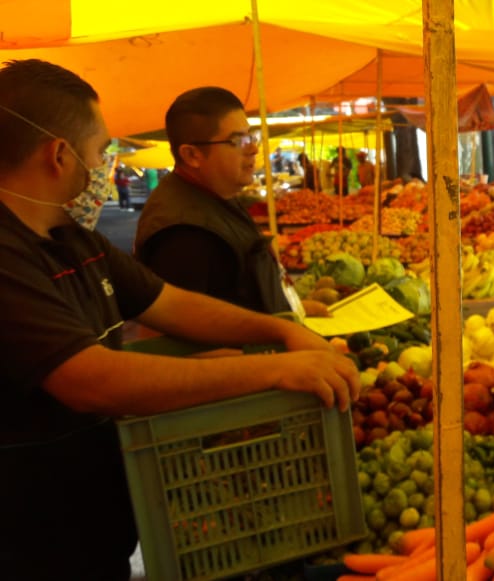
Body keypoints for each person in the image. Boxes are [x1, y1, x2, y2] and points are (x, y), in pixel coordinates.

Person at [0, 59, 360, 581]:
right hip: (29, 543)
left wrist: (281, 330)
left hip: (93, 525)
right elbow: (92, 380)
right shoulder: (7, 257)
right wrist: (273, 371)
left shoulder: (73, 237)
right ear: (59, 154)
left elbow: (170, 302)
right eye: (101, 152)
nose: (104, 166)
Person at [135, 87, 319, 318]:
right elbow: (185, 339)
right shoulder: (183, 232)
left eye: (250, 136)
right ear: (192, 155)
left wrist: (295, 310)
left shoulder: (216, 196)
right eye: (237, 141)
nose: (253, 149)